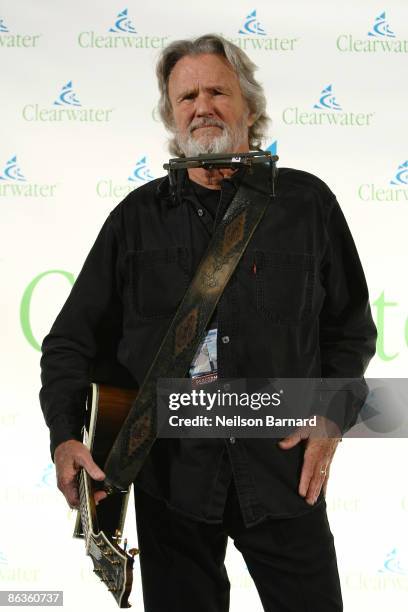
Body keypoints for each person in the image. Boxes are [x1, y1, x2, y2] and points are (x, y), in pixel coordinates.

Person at [39, 33, 377, 611]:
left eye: (217, 90)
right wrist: (65, 436)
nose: (202, 106)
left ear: (248, 104)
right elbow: (70, 342)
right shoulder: (133, 222)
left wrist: (333, 416)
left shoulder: (307, 205)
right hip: (172, 484)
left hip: (284, 473)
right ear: (172, 115)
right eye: (186, 96)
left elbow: (351, 331)